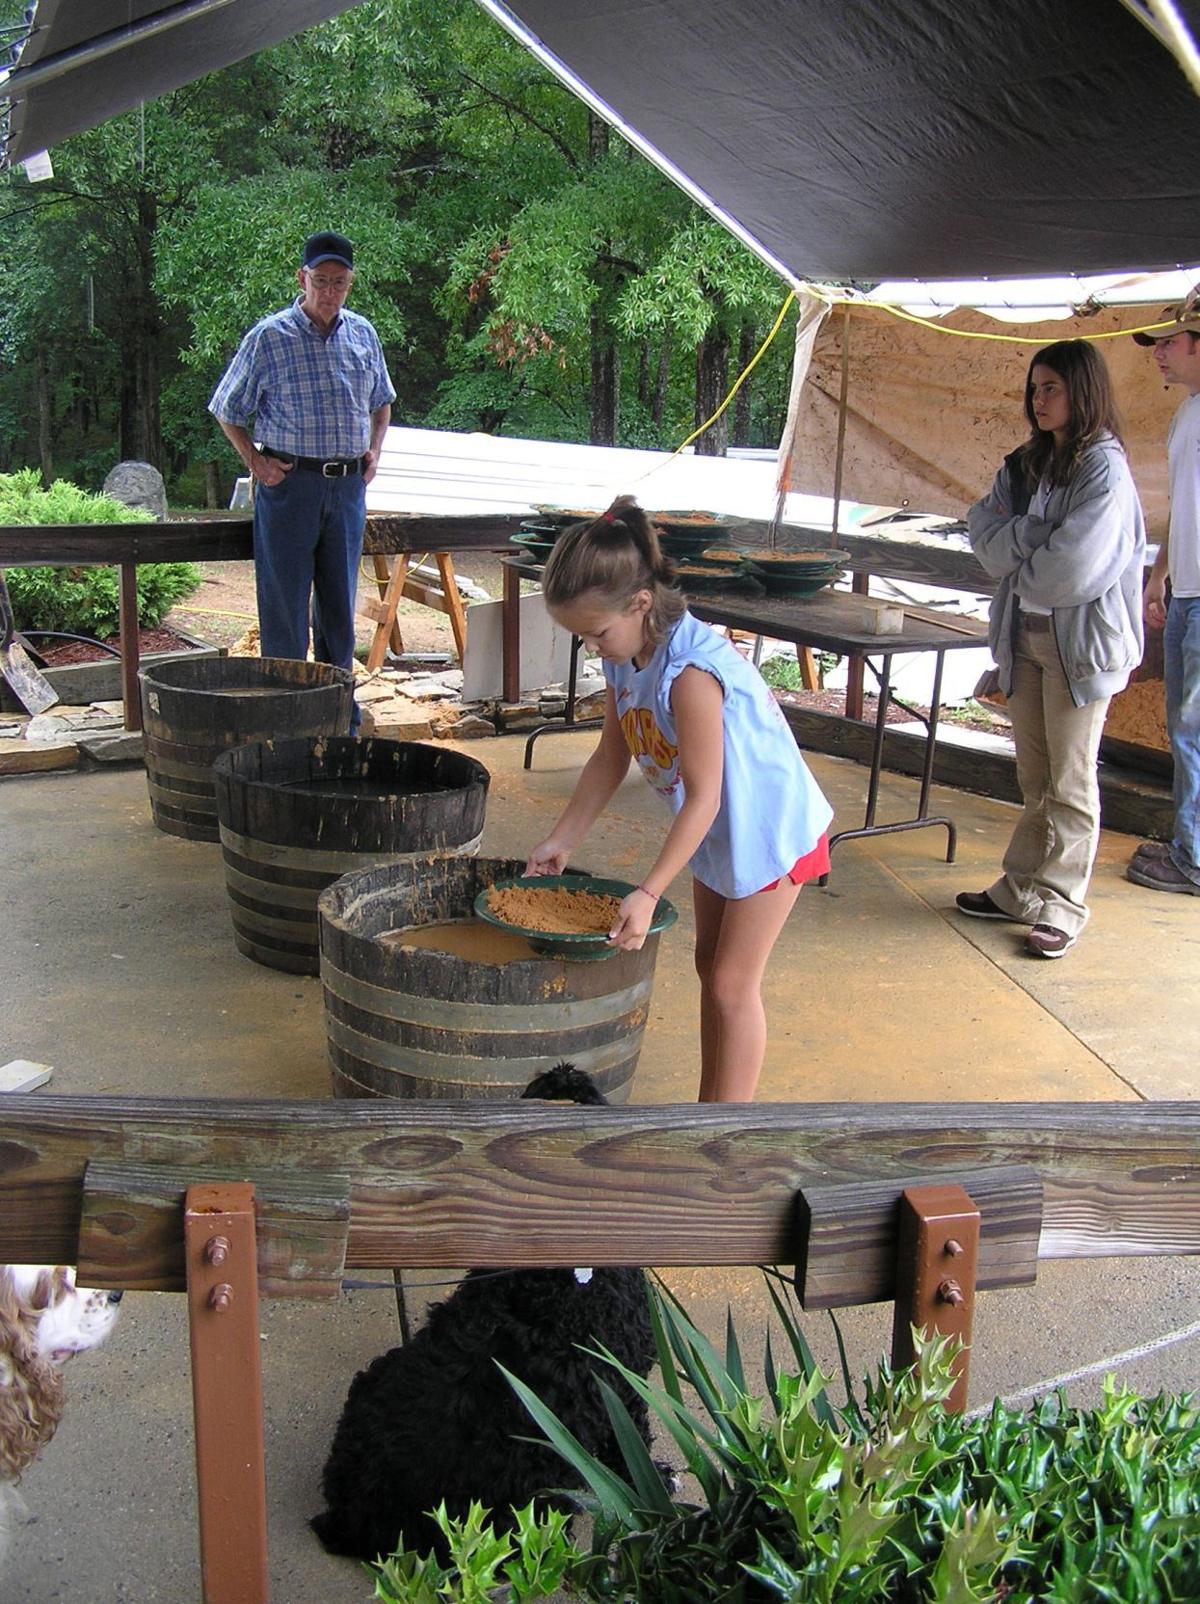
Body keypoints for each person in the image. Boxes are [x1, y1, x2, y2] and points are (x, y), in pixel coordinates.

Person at [523, 496, 833, 1103]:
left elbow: (704, 797)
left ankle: (726, 1133)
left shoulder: (690, 671)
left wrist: (647, 891)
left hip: (768, 831)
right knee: (708, 971)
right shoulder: (625, 656)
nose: (592, 647)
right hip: (717, 829)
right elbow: (610, 758)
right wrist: (563, 838)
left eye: (596, 632)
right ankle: (706, 1112)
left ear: (641, 604)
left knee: (730, 985)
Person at [956, 340, 1146, 957]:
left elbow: (1074, 569)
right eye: (1035, 388)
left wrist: (1019, 557)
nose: (1039, 401)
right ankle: (1020, 889)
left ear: (1082, 391)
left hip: (1079, 646)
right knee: (1034, 775)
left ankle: (1061, 905)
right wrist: (1031, 539)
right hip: (1026, 637)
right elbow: (982, 534)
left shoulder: (1103, 468)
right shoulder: (1027, 463)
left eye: (1052, 388)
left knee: (1069, 778)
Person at [208, 232, 395, 717]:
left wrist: (375, 450)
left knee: (339, 607)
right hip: (290, 486)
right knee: (285, 608)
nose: (330, 292)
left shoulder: (363, 334)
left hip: (348, 488)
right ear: (302, 278)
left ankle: (337, 717)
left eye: (340, 283)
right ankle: (289, 719)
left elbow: (383, 402)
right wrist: (256, 462)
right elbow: (227, 408)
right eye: (321, 281)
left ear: (350, 284)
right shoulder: (270, 336)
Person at [1125, 290, 1200, 897]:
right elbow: (1184, 506)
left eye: (1171, 343)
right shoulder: (1186, 416)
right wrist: (1160, 574)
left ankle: (1194, 857)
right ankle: (1188, 842)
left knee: (1194, 727)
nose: (1160, 355)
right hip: (1186, 594)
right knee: (1184, 724)